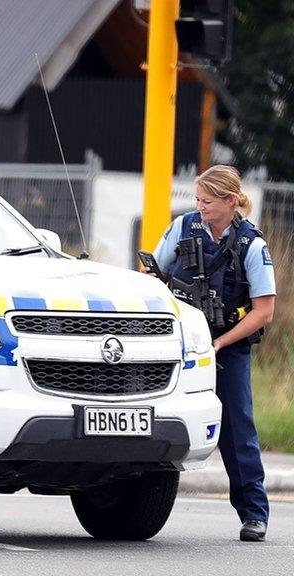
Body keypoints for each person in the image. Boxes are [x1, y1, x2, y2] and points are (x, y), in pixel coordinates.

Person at [152, 165, 275, 542]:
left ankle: (254, 514)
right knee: (154, 417)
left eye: (207, 201)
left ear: (229, 201)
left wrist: (220, 343)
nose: (199, 207)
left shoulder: (252, 244)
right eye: (198, 200)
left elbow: (264, 310)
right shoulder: (183, 227)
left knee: (238, 430)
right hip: (181, 342)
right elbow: (154, 274)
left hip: (228, 345)